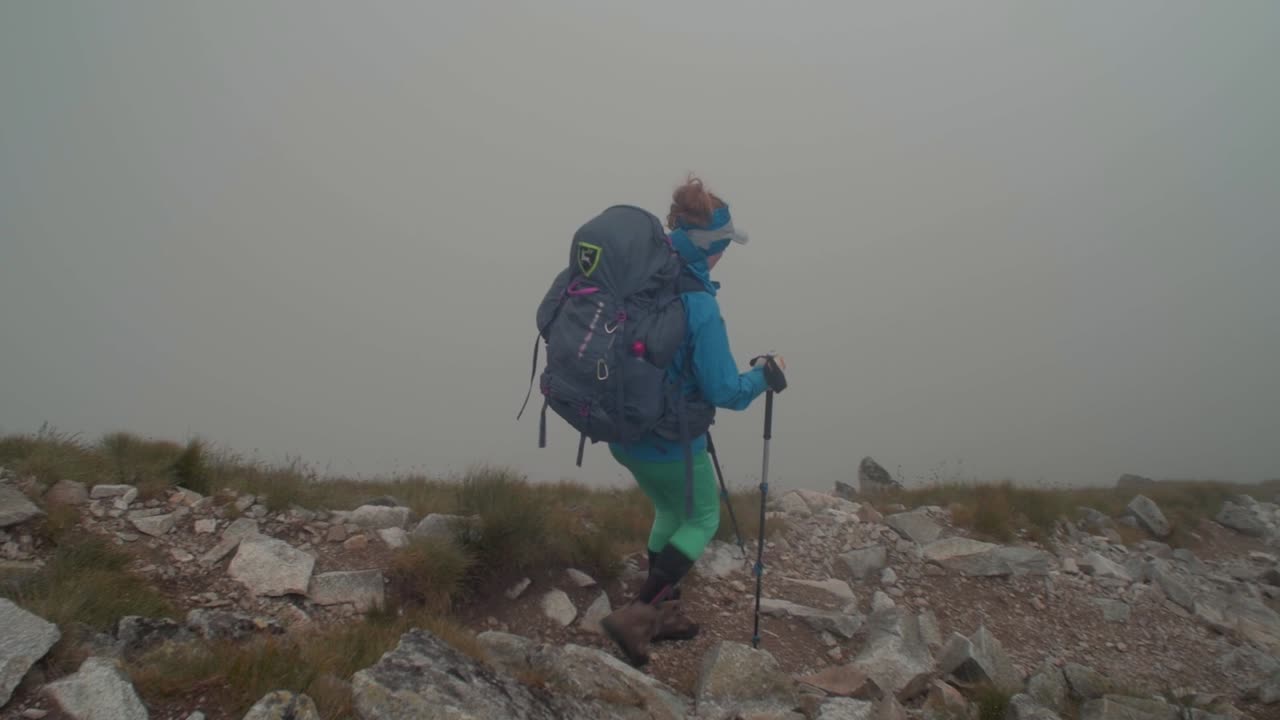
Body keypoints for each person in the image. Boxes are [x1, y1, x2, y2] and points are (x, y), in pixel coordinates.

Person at [599, 176, 786, 667]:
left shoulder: (642, 280)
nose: (725, 253)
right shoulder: (699, 304)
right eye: (722, 244)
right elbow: (725, 390)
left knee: (669, 511)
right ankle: (639, 615)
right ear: (706, 246)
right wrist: (765, 377)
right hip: (669, 442)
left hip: (624, 433)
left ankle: (666, 613)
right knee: (703, 517)